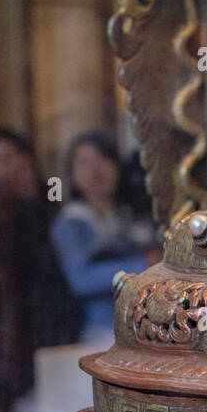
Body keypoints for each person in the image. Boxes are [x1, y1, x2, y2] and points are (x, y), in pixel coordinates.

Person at [0, 127, 82, 412]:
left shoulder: (51, 204)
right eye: (4, 158)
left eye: (19, 155)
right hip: (8, 339)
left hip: (54, 328)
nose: (16, 164)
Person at [51, 132, 157, 344]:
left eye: (103, 159)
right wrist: (143, 264)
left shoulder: (135, 217)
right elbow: (82, 280)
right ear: (72, 174)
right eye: (84, 163)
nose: (95, 170)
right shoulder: (71, 222)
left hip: (149, 326)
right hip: (103, 330)